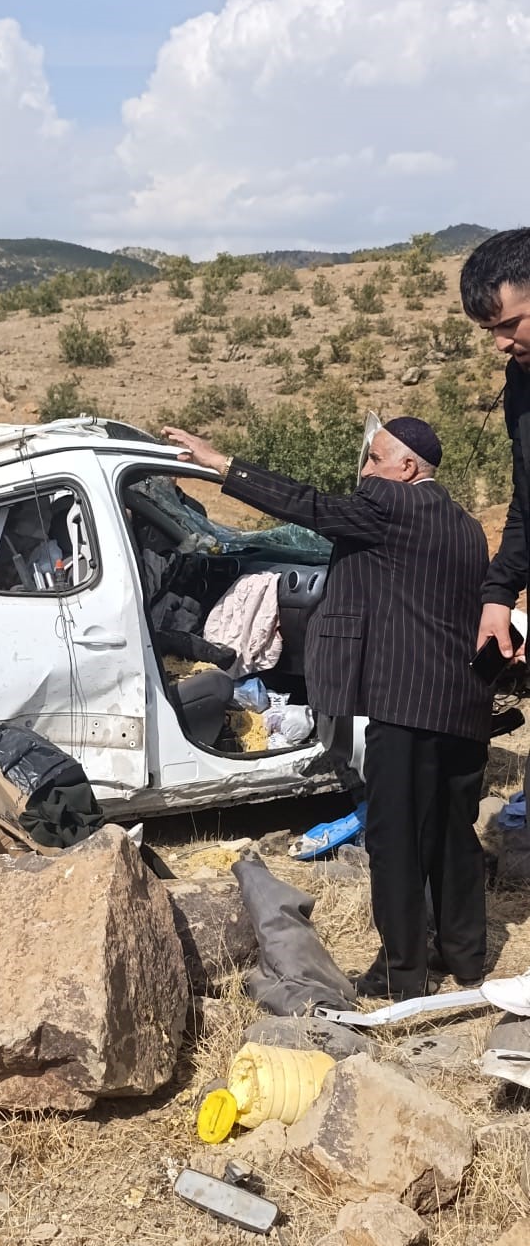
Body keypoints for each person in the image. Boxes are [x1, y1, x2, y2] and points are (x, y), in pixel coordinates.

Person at [162, 416, 492, 999]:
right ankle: (466, 958)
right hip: (463, 704)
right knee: (451, 833)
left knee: (394, 838)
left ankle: (402, 974)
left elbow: (307, 505)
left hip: (406, 705)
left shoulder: (389, 504)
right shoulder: (466, 527)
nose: (364, 473)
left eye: (373, 459)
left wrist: (221, 465)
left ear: (407, 469)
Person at [459, 229, 530, 666]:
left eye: (509, 324)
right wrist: (498, 593)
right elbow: (526, 500)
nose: (500, 342)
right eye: (490, 330)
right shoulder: (520, 380)